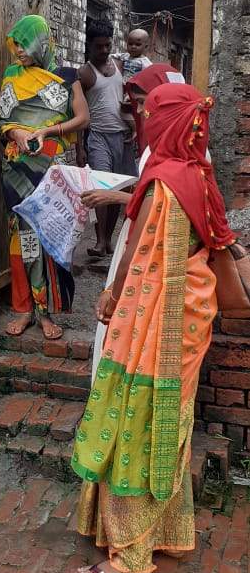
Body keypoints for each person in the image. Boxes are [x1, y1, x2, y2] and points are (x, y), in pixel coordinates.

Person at [70, 83, 235, 573]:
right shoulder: (200, 178)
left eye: (149, 114)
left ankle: (131, 561)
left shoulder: (162, 182)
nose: (142, 119)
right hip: (189, 318)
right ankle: (160, 530)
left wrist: (111, 298)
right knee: (167, 421)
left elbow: (134, 257)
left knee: (135, 420)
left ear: (163, 124)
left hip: (151, 319)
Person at [81, 64, 188, 385]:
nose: (138, 110)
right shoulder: (161, 141)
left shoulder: (183, 149)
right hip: (140, 230)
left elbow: (163, 206)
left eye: (144, 102)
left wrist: (114, 199)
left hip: (153, 241)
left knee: (130, 311)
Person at [0, 15, 89, 340]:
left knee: (49, 236)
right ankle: (24, 310)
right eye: (16, 45)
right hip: (17, 170)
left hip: (50, 172)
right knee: (22, 240)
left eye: (24, 44)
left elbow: (83, 118)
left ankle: (46, 311)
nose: (19, 51)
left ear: (40, 41)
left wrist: (49, 129)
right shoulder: (12, 75)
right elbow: (2, 122)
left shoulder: (66, 76)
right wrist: (17, 132)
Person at [78, 20, 137, 259]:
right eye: (98, 46)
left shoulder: (120, 65)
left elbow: (131, 96)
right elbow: (78, 112)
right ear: (89, 45)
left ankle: (109, 239)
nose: (103, 50)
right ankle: (100, 241)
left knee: (119, 189)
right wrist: (79, 148)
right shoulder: (84, 73)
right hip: (99, 137)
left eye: (107, 45)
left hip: (123, 138)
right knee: (102, 187)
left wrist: (134, 127)